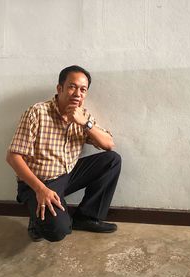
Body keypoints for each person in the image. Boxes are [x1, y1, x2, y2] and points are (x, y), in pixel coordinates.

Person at [6, 65, 121, 242]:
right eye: (72, 87)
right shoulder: (37, 113)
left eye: (83, 90)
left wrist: (84, 123)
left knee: (111, 160)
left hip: (66, 175)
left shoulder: (82, 116)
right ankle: (36, 219)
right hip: (39, 182)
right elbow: (13, 157)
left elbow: (108, 144)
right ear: (60, 88)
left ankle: (86, 217)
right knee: (58, 231)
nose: (77, 93)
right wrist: (41, 189)